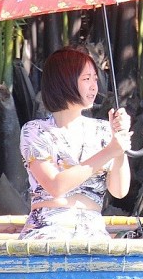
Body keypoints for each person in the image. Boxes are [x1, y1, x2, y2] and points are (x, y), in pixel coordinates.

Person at [18, 47, 132, 240]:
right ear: (64, 81)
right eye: (86, 79)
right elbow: (55, 186)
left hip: (93, 230)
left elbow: (119, 191)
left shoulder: (103, 130)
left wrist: (119, 147)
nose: (94, 87)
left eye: (95, 79)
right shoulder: (35, 131)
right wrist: (109, 151)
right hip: (48, 229)